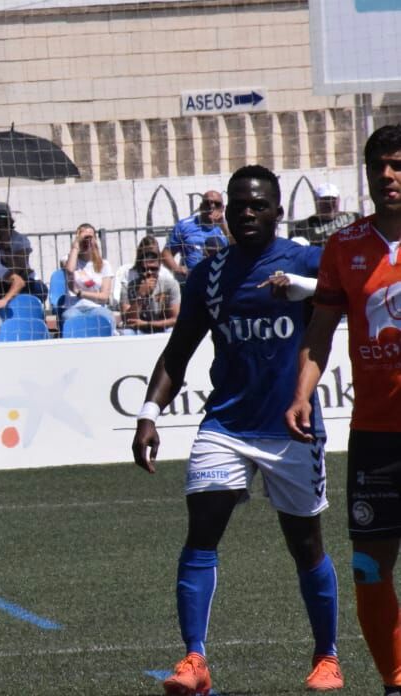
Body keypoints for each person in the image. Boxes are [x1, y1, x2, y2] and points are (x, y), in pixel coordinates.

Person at [134, 166, 340, 695]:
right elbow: (177, 353)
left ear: (277, 211)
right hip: (225, 424)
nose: (246, 213)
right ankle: (194, 659)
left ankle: (326, 656)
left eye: (258, 205)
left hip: (291, 427)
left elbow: (354, 292)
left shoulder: (303, 260)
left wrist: (304, 288)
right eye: (237, 205)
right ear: (224, 210)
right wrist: (148, 414)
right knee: (201, 528)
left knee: (305, 543)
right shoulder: (210, 274)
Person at [286, 124, 401, 696]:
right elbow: (321, 330)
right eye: (379, 164)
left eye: (398, 164)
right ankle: (395, 681)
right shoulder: (345, 246)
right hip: (376, 435)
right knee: (369, 567)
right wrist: (303, 391)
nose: (388, 175)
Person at [117, 236, 181, 334]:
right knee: (126, 333)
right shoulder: (128, 287)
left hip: (162, 326)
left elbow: (175, 319)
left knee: (172, 331)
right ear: (139, 269)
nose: (149, 273)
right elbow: (128, 320)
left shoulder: (170, 285)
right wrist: (140, 295)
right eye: (144, 269)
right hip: (138, 329)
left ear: (159, 267)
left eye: (153, 269)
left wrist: (147, 324)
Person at [60, 223, 117, 329]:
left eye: (90, 238)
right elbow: (70, 270)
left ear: (95, 240)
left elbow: (104, 297)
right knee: (69, 318)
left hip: (96, 307)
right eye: (84, 238)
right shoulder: (67, 259)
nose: (87, 241)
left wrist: (81, 293)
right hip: (74, 307)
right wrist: (77, 244)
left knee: (107, 318)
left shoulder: (104, 264)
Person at [163, 190, 229, 281]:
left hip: (219, 280)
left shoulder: (228, 228)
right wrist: (176, 268)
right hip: (192, 280)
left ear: (222, 208)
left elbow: (237, 249)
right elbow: (167, 253)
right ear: (201, 206)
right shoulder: (184, 225)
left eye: (217, 204)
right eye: (207, 203)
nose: (212, 206)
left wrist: (223, 225)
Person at [290, 183, 360, 248]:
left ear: (339, 200)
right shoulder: (303, 227)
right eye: (325, 200)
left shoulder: (354, 218)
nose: (329, 203)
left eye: (333, 199)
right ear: (317, 201)